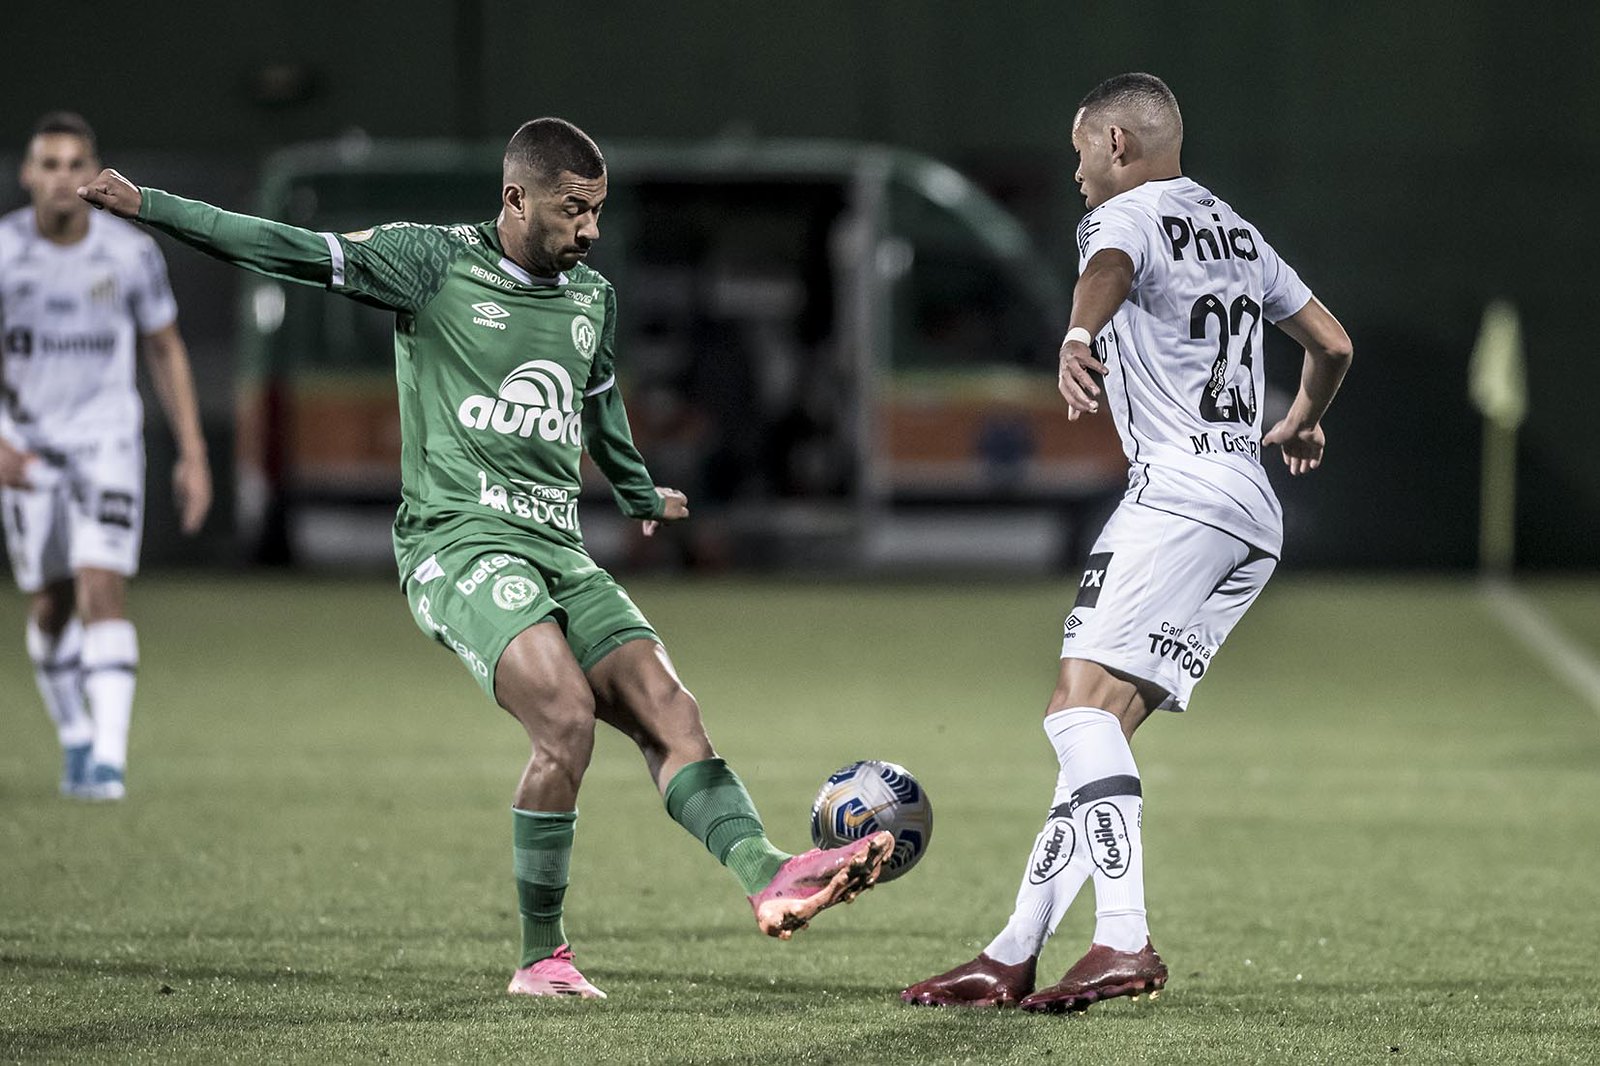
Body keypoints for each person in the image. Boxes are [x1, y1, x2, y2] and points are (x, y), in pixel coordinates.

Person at [77, 117, 893, 999]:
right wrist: (148, 205)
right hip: (454, 542)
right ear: (516, 198)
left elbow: (599, 400)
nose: (589, 230)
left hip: (558, 547)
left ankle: (770, 874)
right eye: (573, 210)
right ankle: (542, 958)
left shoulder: (593, 298)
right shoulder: (429, 263)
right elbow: (287, 249)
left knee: (670, 708)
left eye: (598, 212)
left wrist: (634, 487)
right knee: (567, 717)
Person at [902, 73, 1353, 1013]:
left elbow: (1106, 268)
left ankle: (1123, 939)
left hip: (1180, 491)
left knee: (1075, 717)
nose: (1073, 173)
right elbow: (1333, 344)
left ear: (1115, 142)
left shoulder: (1132, 213)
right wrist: (1305, 418)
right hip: (1249, 509)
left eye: (1078, 151)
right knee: (1095, 740)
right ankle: (1011, 952)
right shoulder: (1236, 230)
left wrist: (1076, 333)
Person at [1, 112, 212, 801]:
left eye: (74, 165)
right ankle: (75, 737)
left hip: (107, 445)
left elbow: (165, 347)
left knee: (101, 586)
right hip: (27, 451)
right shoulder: (3, 253)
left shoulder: (129, 254)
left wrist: (193, 451)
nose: (62, 179)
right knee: (51, 605)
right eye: (49, 164)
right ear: (29, 174)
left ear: (93, 175)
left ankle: (109, 764)